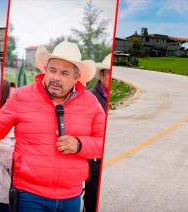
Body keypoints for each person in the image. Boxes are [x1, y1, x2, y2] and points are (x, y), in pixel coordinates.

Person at [0, 41, 105, 211]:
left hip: (71, 196)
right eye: (52, 70)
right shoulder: (21, 96)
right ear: (45, 70)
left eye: (64, 73)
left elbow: (103, 143)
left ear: (76, 77)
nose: (56, 77)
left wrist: (79, 144)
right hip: (28, 194)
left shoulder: (91, 103)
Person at [85, 53, 112, 212]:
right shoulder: (89, 97)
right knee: (92, 201)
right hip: (95, 161)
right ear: (101, 75)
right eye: (110, 72)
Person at [0, 80, 15, 212]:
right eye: (10, 98)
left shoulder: (15, 122)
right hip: (0, 193)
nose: (15, 102)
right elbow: (11, 158)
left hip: (13, 191)